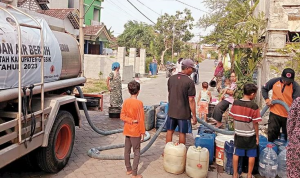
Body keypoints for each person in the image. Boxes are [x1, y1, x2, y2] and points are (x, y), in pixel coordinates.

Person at [229, 83, 261, 178]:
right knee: (252, 154)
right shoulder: (254, 106)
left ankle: (235, 174)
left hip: (238, 133)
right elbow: (255, 123)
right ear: (251, 94)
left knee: (236, 153)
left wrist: (235, 130)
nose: (255, 96)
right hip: (250, 135)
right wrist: (257, 136)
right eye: (255, 94)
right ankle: (249, 175)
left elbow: (233, 118)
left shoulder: (236, 103)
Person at [261, 68, 300, 142]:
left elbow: (297, 102)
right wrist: (267, 99)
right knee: (272, 134)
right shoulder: (275, 81)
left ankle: (284, 152)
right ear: (282, 76)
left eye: (288, 81)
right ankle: (272, 150)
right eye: (284, 79)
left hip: (288, 116)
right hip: (274, 113)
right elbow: (264, 89)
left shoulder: (295, 87)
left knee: (287, 137)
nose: (286, 82)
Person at [166, 59, 197, 145]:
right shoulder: (189, 82)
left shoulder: (171, 79)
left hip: (171, 111)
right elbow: (191, 100)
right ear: (187, 68)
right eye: (192, 69)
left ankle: (167, 151)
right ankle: (181, 152)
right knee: (182, 133)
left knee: (169, 131)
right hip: (183, 113)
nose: (192, 71)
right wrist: (194, 115)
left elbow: (170, 93)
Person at [120, 81, 145, 178]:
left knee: (127, 151)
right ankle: (134, 174)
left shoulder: (126, 102)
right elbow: (141, 119)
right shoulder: (139, 103)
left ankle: (128, 169)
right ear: (138, 91)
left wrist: (129, 120)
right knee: (137, 152)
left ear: (129, 91)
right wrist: (142, 132)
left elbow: (122, 116)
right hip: (136, 131)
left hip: (127, 130)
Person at [287, 97, 300, 178]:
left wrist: (291, 137)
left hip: (297, 141)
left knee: (294, 170)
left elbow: (290, 122)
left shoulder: (298, 101)